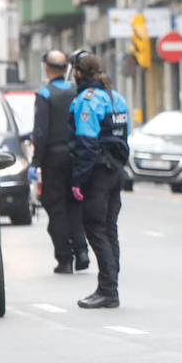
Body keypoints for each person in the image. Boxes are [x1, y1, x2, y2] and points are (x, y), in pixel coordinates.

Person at [68, 51, 130, 310]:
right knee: (109, 229)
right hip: (115, 171)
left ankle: (108, 290)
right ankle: (109, 286)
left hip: (97, 173)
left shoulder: (87, 100)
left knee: (95, 228)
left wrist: (78, 180)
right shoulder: (116, 98)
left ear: (78, 73)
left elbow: (86, 144)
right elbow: (122, 138)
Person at [31, 50, 90, 275]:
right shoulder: (77, 92)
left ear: (47, 68)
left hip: (53, 159)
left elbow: (41, 133)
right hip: (75, 156)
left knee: (56, 208)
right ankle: (82, 251)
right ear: (66, 68)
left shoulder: (45, 94)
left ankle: (65, 258)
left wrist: (35, 163)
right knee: (75, 204)